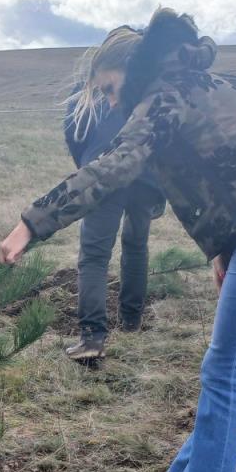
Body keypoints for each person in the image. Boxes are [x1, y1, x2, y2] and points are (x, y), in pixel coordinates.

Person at [0, 9, 236, 472]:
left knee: (227, 370)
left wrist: (32, 223)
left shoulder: (164, 96)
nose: (107, 100)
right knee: (225, 365)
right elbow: (235, 163)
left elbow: (115, 165)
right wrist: (223, 247)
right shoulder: (202, 82)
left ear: (132, 68)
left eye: (107, 87)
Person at [63, 70, 165, 360]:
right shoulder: (148, 85)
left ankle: (92, 337)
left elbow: (73, 133)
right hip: (145, 178)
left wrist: (87, 166)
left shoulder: (90, 86)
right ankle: (131, 321)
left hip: (103, 174)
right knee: (136, 245)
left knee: (94, 255)